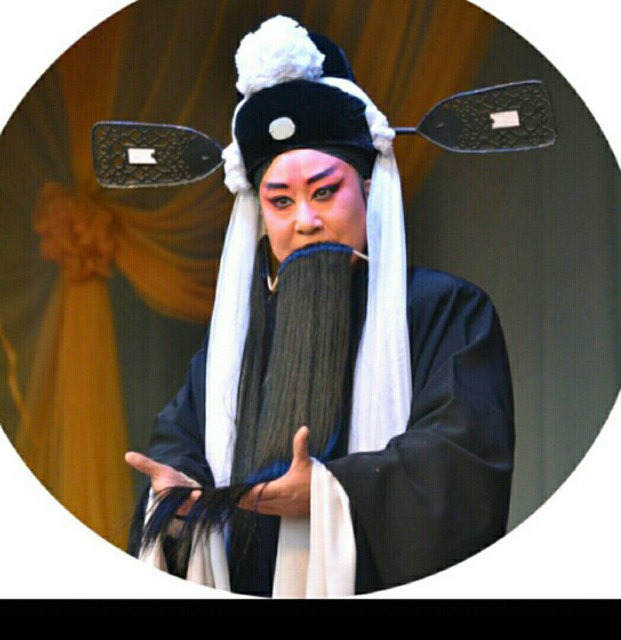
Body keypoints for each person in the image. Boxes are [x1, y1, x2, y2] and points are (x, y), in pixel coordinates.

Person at [125, 16, 514, 597]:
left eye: (325, 192)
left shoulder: (445, 312)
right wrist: (178, 506)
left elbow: (460, 465)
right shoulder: (231, 351)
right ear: (260, 216)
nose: (304, 221)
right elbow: (178, 453)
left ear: (368, 190)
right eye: (280, 202)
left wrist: (331, 493)